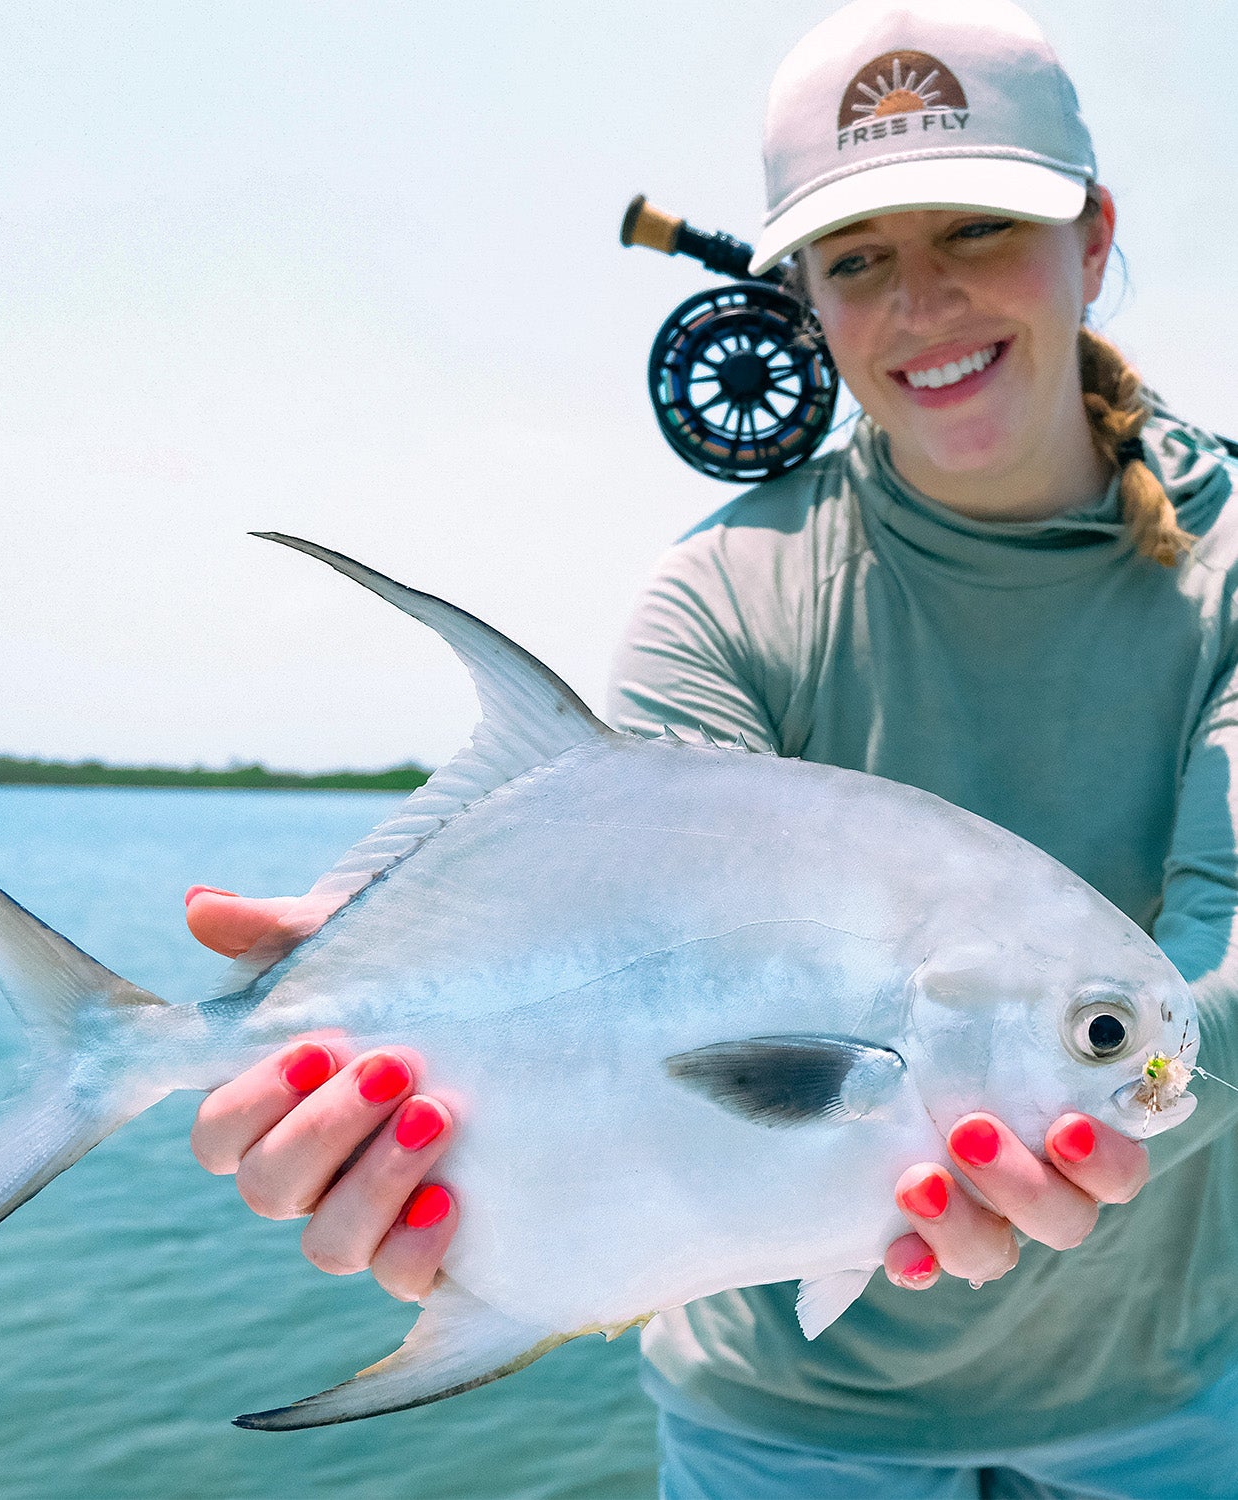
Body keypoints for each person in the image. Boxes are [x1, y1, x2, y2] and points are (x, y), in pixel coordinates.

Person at [184, 2, 1238, 1493]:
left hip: (1161, 1406)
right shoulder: (727, 593)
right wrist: (416, 1116)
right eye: (856, 260)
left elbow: (1222, 953)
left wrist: (1073, 1122)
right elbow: (641, 945)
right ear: (801, 298)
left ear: (1093, 237)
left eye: (978, 229)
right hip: (780, 1429)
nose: (924, 301)